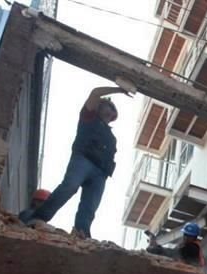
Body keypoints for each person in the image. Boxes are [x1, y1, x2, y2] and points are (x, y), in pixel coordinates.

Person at [19, 83, 133, 239]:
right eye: (107, 105)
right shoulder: (89, 117)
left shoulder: (111, 137)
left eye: (112, 108)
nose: (110, 109)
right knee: (69, 187)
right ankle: (38, 217)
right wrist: (119, 89)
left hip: (100, 172)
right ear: (99, 107)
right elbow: (95, 92)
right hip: (83, 160)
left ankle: (82, 232)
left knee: (90, 205)